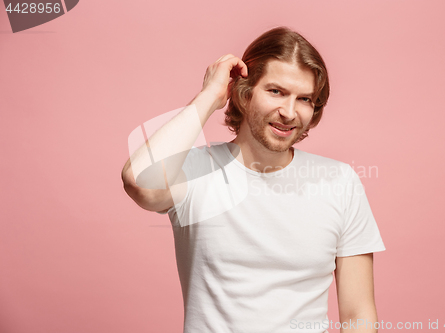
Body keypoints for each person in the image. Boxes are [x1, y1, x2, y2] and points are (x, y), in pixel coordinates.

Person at [121, 27, 385, 333]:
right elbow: (139, 182)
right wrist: (210, 95)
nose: (289, 112)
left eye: (304, 99)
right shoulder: (194, 171)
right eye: (276, 91)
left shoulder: (339, 182)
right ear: (244, 94)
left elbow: (358, 315)